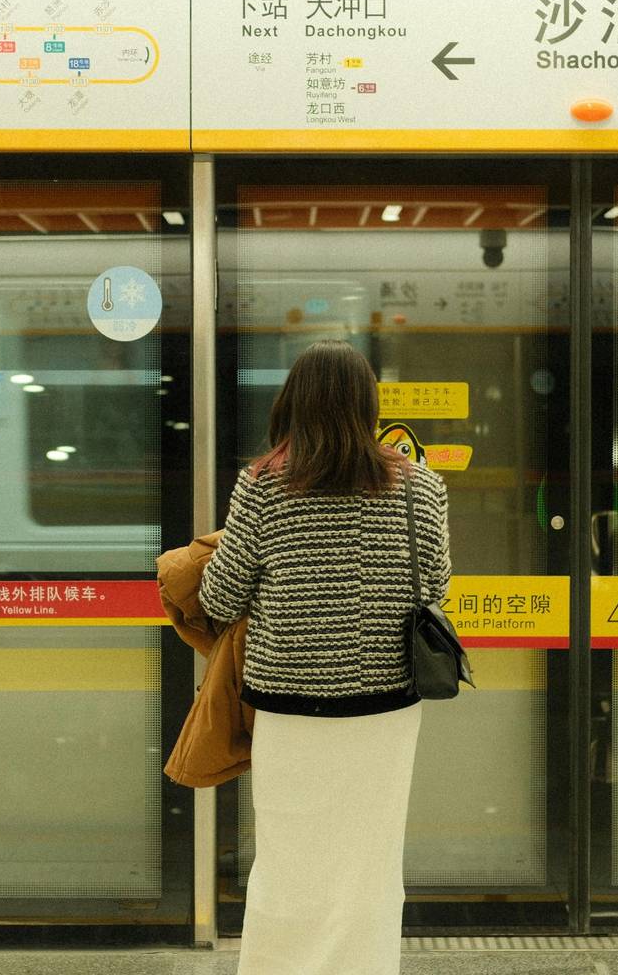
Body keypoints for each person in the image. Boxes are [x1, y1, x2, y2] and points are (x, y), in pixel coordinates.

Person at [198, 340, 452, 975]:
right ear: (367, 406)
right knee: (369, 860)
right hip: (388, 707)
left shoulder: (263, 485)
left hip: (292, 708)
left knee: (290, 858)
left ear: (294, 404)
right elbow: (437, 588)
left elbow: (222, 597)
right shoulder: (420, 486)